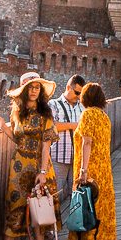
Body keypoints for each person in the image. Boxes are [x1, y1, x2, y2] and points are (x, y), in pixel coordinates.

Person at [0, 71, 59, 240]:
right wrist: (3, 126)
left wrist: (43, 172)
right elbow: (17, 139)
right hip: (18, 166)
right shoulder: (16, 113)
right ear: (24, 90)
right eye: (31, 87)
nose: (35, 90)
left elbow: (46, 146)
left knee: (39, 216)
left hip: (39, 167)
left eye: (38, 87)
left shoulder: (45, 114)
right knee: (13, 210)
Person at [67, 83, 117, 240]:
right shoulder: (104, 117)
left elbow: (87, 142)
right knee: (96, 211)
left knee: (85, 209)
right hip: (104, 170)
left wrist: (83, 171)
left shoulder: (87, 114)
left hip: (90, 170)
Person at [50, 74, 85, 204]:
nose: (78, 96)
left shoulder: (82, 107)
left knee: (76, 197)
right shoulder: (53, 104)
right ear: (68, 87)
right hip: (58, 157)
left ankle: (74, 223)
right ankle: (53, 224)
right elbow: (52, 127)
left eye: (80, 94)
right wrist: (73, 125)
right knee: (54, 195)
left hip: (77, 159)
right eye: (76, 92)